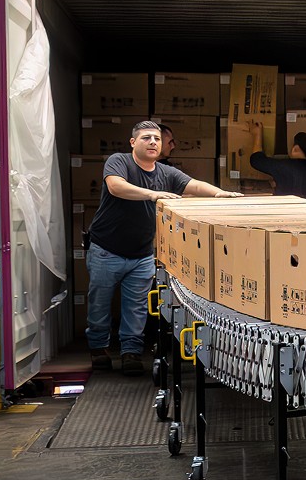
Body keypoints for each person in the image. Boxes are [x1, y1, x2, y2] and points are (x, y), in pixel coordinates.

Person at [85, 120, 241, 376]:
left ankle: (131, 352)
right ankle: (99, 349)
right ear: (133, 142)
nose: (153, 142)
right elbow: (115, 186)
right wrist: (152, 194)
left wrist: (219, 194)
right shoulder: (119, 162)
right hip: (107, 249)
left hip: (143, 254)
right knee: (99, 303)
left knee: (136, 307)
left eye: (157, 139)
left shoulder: (166, 173)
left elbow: (194, 185)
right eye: (146, 138)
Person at [248, 120, 306, 202]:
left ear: (295, 149)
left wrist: (257, 134)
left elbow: (256, 160)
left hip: (288, 213)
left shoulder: (289, 167)